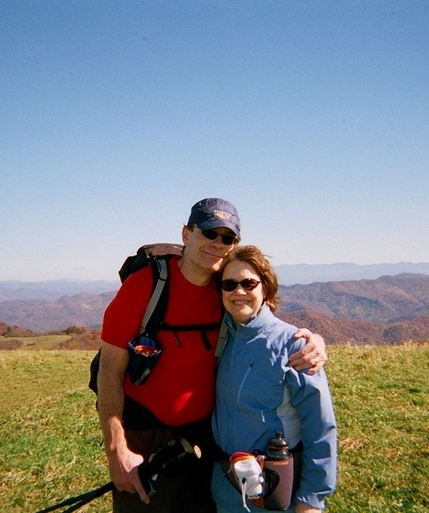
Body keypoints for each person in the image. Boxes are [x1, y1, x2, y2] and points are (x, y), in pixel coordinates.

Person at [97, 198, 328, 513]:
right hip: (145, 438)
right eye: (209, 233)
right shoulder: (144, 286)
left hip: (206, 443)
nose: (217, 243)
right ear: (187, 235)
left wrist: (311, 341)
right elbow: (109, 370)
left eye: (227, 237)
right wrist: (116, 451)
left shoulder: (224, 291)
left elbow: (261, 324)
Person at [211, 245, 337, 513]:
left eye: (249, 283)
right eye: (229, 284)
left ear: (265, 289)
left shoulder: (293, 345)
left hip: (273, 493)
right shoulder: (221, 337)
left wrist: (312, 499)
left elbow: (320, 425)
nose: (239, 291)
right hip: (224, 490)